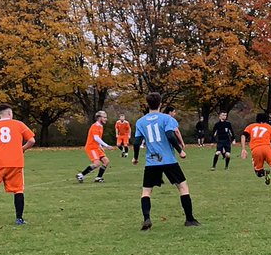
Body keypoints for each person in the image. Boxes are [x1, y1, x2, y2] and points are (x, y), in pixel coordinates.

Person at [131, 92, 199, 230]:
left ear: (147, 104)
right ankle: (190, 219)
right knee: (183, 187)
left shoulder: (141, 121)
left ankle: (147, 219)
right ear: (160, 104)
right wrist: (180, 151)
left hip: (152, 161)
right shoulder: (167, 119)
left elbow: (137, 142)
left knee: (146, 192)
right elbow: (170, 135)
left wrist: (136, 157)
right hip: (168, 160)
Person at [242, 112, 271, 194]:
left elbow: (243, 136)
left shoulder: (250, 126)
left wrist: (243, 149)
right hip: (267, 148)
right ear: (266, 120)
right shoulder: (269, 127)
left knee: (258, 172)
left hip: (256, 150)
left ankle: (264, 173)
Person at [77, 110, 115, 183]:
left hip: (96, 147)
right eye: (104, 117)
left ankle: (98, 178)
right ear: (99, 118)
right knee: (97, 163)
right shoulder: (95, 126)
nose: (106, 119)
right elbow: (96, 138)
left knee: (106, 161)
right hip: (91, 148)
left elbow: (98, 138)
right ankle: (81, 175)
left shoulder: (100, 126)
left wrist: (100, 146)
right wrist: (107, 146)